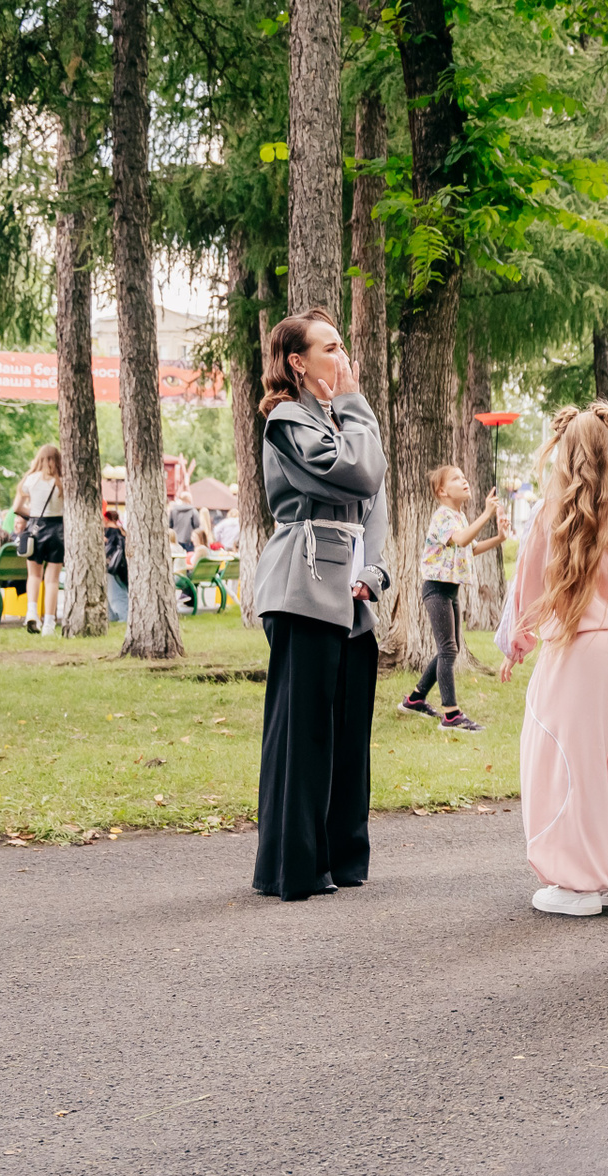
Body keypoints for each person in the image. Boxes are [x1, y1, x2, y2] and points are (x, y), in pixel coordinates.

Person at [246, 307, 391, 902]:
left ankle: (341, 859)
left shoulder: (345, 418)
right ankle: (294, 867)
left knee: (349, 731)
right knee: (303, 734)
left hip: (352, 592)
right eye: (329, 347)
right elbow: (355, 474)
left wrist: (375, 571)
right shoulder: (287, 420)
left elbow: (375, 499)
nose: (343, 356)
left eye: (342, 345)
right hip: (302, 585)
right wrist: (355, 409)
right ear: (297, 362)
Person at [497, 403, 608, 915]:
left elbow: (530, 589)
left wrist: (518, 645)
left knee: (565, 759)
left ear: (564, 453)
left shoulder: (552, 517)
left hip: (577, 645)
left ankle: (576, 881)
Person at [399, 464, 508, 732]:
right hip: (436, 589)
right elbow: (460, 540)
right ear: (442, 491)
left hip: (450, 589)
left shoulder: (458, 517)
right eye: (456, 478)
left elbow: (471, 547)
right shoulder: (443, 516)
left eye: (464, 476)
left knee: (450, 648)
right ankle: (451, 716)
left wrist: (500, 537)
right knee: (448, 650)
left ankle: (415, 699)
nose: (464, 480)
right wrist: (486, 513)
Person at [15, 444, 65, 635]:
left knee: (34, 576)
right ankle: (49, 623)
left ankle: (31, 613)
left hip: (36, 529)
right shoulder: (62, 481)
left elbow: (17, 508)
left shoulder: (31, 479)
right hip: (57, 530)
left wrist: (34, 513)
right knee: (52, 580)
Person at [103, 508, 129, 623]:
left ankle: (124, 616)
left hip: (111, 566)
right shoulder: (121, 531)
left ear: (107, 519)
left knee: (115, 593)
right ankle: (114, 616)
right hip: (120, 566)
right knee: (117, 590)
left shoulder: (109, 532)